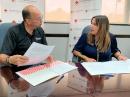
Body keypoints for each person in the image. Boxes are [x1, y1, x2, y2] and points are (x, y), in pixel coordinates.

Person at [0, 5, 55, 97]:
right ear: (28, 21)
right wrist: (9, 59)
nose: (41, 20)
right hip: (19, 73)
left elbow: (44, 49)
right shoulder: (13, 31)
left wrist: (47, 56)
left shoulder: (40, 30)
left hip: (37, 70)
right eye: (38, 18)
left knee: (51, 89)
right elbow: (2, 56)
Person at [72, 15, 127, 95]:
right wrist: (86, 58)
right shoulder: (86, 36)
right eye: (91, 23)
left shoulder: (111, 37)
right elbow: (75, 51)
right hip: (87, 69)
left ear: (103, 26)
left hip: (105, 70)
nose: (91, 26)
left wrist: (119, 56)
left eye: (95, 24)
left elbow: (115, 50)